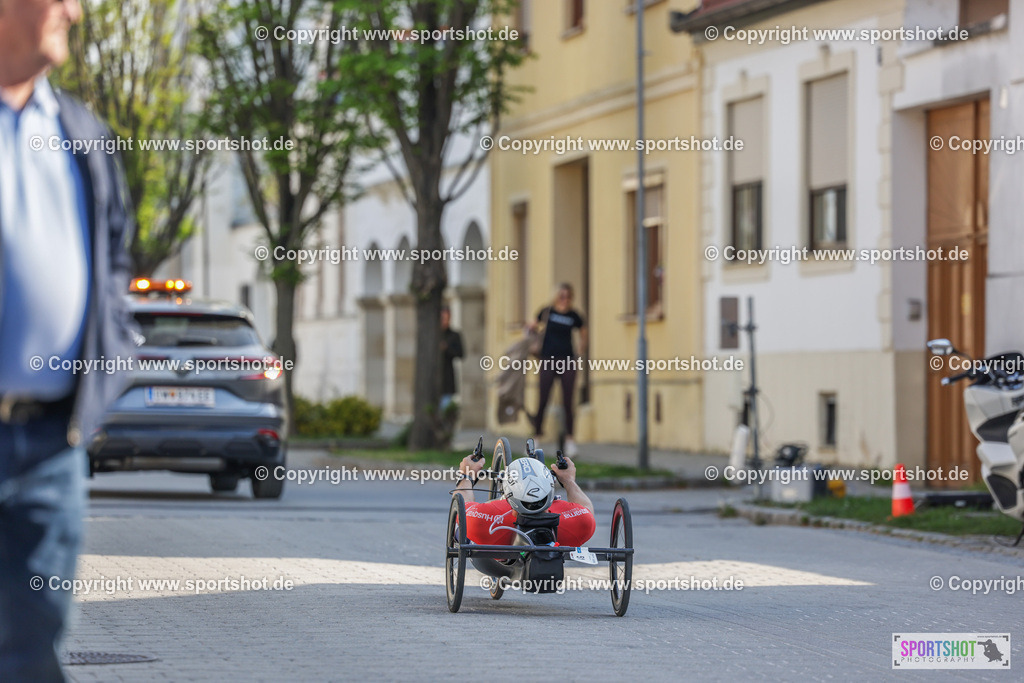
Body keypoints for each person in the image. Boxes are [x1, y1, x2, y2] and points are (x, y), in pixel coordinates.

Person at [0, 0, 136, 679]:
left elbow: (115, 267)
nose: (75, 12)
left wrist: (96, 394)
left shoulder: (85, 135)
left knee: (34, 651)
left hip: (50, 448)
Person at [453, 451, 596, 547]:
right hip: (562, 527)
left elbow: (459, 505)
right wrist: (568, 480)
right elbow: (586, 509)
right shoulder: (583, 522)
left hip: (498, 530)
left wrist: (467, 475)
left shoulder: (483, 519)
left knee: (461, 525)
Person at [528, 283, 587, 456]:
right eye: (561, 296)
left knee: (568, 402)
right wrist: (530, 332)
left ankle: (570, 441)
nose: (564, 300)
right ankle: (536, 438)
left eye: (568, 296)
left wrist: (579, 352)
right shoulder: (547, 311)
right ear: (556, 296)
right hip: (547, 359)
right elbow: (532, 326)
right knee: (543, 399)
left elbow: (584, 333)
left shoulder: (574, 315)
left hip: (567, 361)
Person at [438, 305, 464, 412]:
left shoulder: (454, 335)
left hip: (447, 378)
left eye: (447, 318)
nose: (445, 321)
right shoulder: (434, 335)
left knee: (445, 410)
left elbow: (461, 353)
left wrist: (447, 348)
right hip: (433, 379)